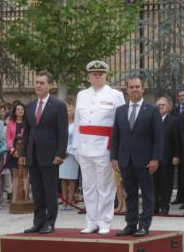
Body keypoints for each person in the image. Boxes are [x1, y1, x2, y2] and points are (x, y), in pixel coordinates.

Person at [73, 60, 125, 235]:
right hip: (84, 146)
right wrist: (75, 148)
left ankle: (104, 221)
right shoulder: (82, 95)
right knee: (88, 187)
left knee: (105, 187)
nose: (97, 77)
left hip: (105, 147)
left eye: (100, 74)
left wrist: (116, 151)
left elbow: (121, 124)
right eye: (94, 74)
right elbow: (78, 123)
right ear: (89, 77)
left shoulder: (115, 95)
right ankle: (91, 221)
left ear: (106, 75)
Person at [112, 76, 161, 237]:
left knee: (147, 194)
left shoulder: (152, 110)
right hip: (126, 160)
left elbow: (158, 137)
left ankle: (144, 225)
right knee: (130, 194)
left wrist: (155, 158)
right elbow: (116, 136)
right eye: (131, 87)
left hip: (146, 161)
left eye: (137, 87)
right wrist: (114, 158)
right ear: (127, 90)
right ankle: (131, 224)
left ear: (143, 89)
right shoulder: (120, 111)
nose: (134, 89)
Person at [20, 71, 68, 234]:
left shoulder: (58, 105)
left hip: (50, 155)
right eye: (37, 82)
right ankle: (38, 222)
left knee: (50, 191)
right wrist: (23, 154)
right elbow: (26, 132)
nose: (38, 85)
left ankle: (49, 222)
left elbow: (63, 132)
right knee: (38, 191)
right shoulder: (31, 105)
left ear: (50, 85)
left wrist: (60, 153)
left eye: (42, 83)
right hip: (33, 154)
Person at [154, 97, 180, 215]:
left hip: (167, 159)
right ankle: (155, 206)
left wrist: (176, 155)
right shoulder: (151, 120)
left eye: (163, 105)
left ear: (168, 107)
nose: (160, 107)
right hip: (153, 159)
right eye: (158, 105)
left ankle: (165, 206)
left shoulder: (174, 121)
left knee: (166, 185)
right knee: (153, 184)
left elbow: (177, 141)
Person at [6, 103, 29, 202]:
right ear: (15, 112)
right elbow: (9, 137)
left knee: (25, 175)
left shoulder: (28, 122)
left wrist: (23, 151)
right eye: (18, 109)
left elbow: (28, 137)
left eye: (22, 109)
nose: (20, 111)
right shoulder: (11, 122)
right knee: (15, 176)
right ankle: (15, 198)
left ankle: (26, 197)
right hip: (13, 151)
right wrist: (11, 149)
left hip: (25, 151)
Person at [59, 103, 79, 210]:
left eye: (70, 109)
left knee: (71, 178)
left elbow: (76, 140)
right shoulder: (61, 124)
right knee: (63, 178)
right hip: (62, 155)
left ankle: (71, 200)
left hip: (72, 154)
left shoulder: (76, 125)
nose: (68, 111)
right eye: (67, 109)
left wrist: (69, 151)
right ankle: (64, 200)